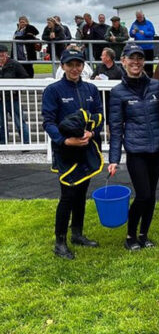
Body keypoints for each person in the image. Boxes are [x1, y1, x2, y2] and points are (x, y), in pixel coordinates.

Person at [108, 43, 159, 251]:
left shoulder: (156, 85)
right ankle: (130, 236)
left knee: (152, 195)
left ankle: (144, 235)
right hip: (136, 151)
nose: (136, 62)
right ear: (123, 61)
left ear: (143, 62)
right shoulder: (117, 93)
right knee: (143, 194)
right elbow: (116, 128)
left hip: (157, 148)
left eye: (139, 58)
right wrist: (114, 159)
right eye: (131, 58)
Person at [42, 48, 104, 259]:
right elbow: (48, 122)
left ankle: (77, 233)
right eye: (70, 64)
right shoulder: (53, 90)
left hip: (87, 148)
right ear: (63, 66)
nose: (75, 69)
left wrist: (92, 132)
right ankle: (60, 242)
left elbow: (99, 115)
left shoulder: (91, 89)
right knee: (67, 195)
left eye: (78, 64)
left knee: (81, 193)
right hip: (66, 151)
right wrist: (65, 140)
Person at [0, 44, 30, 144]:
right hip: (0, 100)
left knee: (20, 122)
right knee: (1, 124)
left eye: (2, 55)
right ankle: (2, 143)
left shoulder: (14, 64)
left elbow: (25, 77)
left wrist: (15, 88)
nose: (1, 58)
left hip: (13, 98)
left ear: (6, 55)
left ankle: (26, 143)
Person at [129, 10, 156, 77]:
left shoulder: (149, 23)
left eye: (140, 17)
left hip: (149, 48)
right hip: (139, 48)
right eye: (138, 17)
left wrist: (145, 33)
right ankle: (139, 77)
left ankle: (149, 78)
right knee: (138, 64)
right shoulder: (134, 24)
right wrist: (133, 32)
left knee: (149, 65)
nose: (139, 19)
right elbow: (131, 34)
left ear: (143, 16)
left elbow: (152, 33)